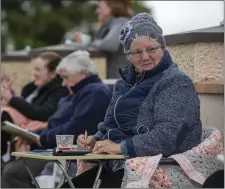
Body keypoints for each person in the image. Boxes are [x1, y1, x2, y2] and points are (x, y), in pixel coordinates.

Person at [61, 13, 202, 188]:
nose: (144, 57)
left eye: (151, 49)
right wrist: (94, 140)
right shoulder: (123, 84)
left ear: (163, 48)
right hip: (119, 165)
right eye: (137, 52)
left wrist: (121, 147)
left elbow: (169, 136)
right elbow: (109, 126)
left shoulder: (176, 82)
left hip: (156, 169)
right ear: (129, 56)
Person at [1, 50, 112, 188]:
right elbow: (61, 122)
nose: (63, 83)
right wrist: (40, 131)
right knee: (10, 169)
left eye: (65, 77)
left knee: (12, 172)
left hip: (67, 153)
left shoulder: (95, 93)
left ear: (82, 73)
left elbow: (74, 129)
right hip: (56, 149)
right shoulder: (79, 92)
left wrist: (39, 137)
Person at [1, 52, 68, 156]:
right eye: (34, 69)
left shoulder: (59, 91)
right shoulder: (37, 86)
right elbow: (26, 102)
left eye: (38, 70)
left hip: (36, 140)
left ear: (53, 73)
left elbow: (43, 113)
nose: (34, 73)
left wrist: (12, 99)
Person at [74, 0, 132, 78]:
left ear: (111, 7)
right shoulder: (113, 24)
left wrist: (88, 42)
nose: (97, 11)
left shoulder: (120, 22)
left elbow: (109, 45)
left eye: (99, 7)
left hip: (119, 82)